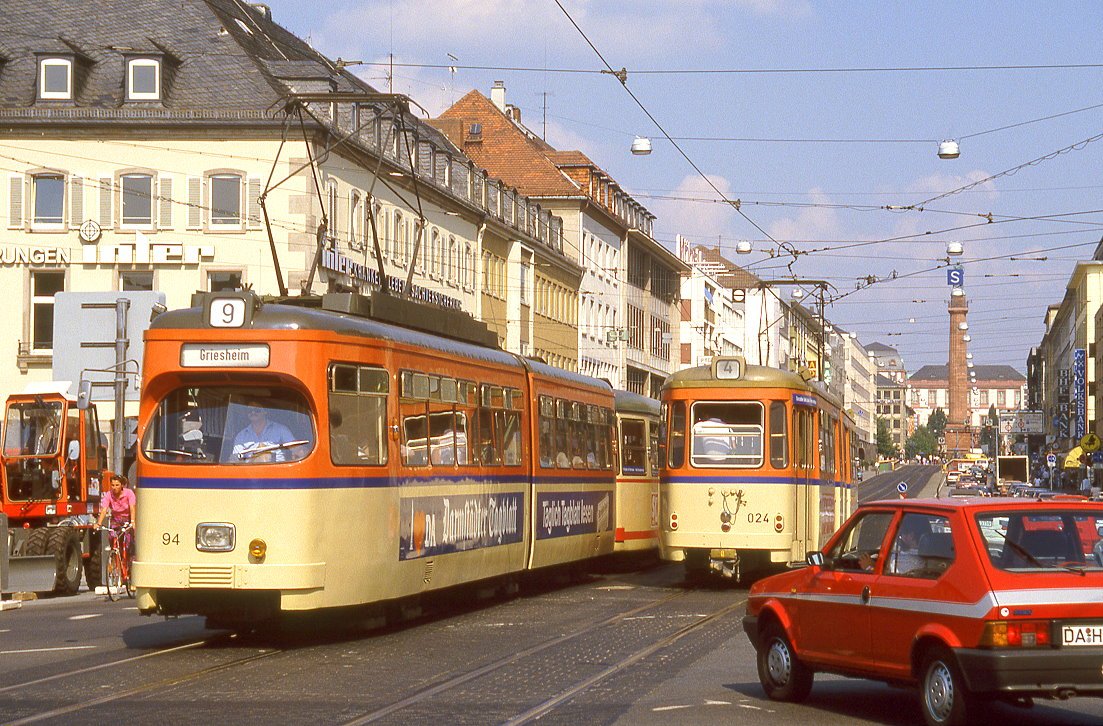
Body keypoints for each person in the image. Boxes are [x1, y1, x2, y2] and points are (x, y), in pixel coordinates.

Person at [96, 471, 136, 560]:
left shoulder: (129, 493)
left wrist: (132, 521)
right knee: (112, 536)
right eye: (112, 485)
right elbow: (104, 510)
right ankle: (115, 557)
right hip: (116, 519)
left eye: (117, 485)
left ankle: (129, 561)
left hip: (127, 518)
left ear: (122, 485)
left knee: (128, 540)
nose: (114, 487)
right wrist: (98, 523)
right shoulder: (108, 495)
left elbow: (132, 508)